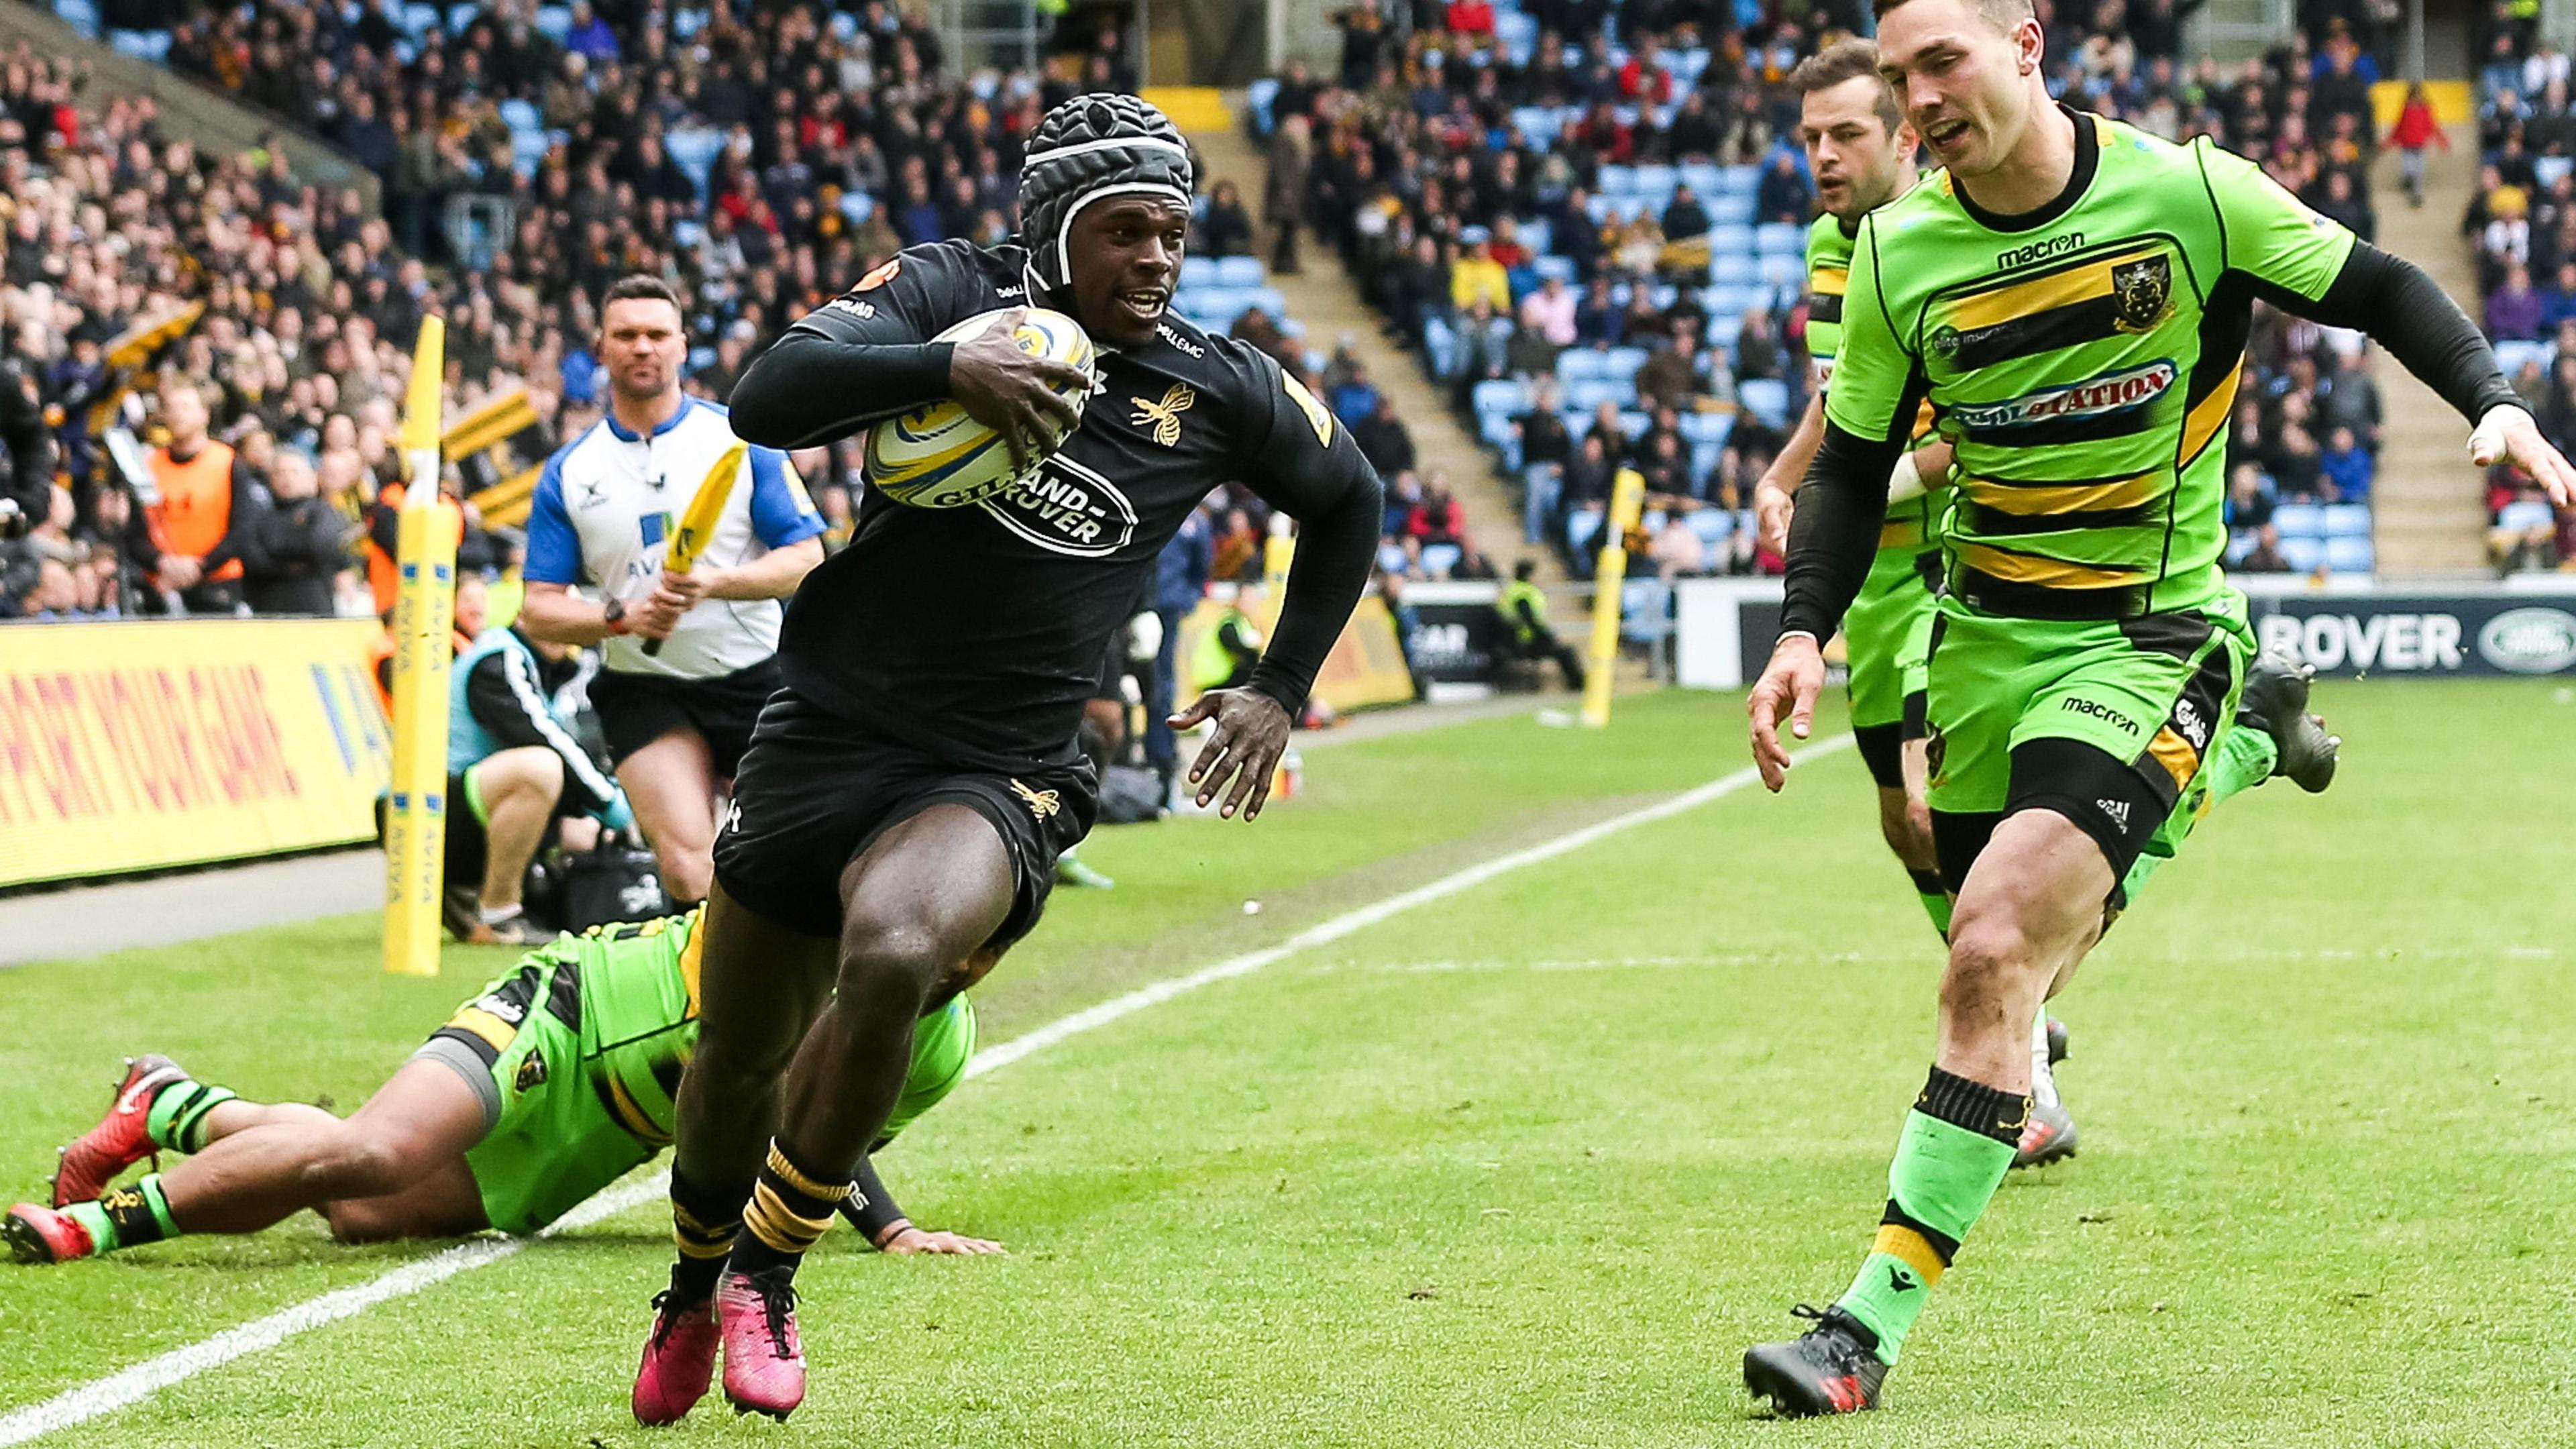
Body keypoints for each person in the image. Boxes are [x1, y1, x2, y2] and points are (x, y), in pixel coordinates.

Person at [1739, 0, 2576, 1417]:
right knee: (2022, 946)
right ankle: (2253, 740)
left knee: (1991, 947)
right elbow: (1851, 462)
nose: (1918, 97)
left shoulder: (2186, 193)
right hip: (1987, 648)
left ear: (2026, 42)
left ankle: (1860, 1334)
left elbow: (2376, 285)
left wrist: (2490, 399)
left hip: (2150, 635)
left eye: (1940, 61)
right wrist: (1804, 632)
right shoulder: (1897, 254)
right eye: (1897, 75)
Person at [637, 94, 1384, 1424]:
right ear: (1052, 231)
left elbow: (1351, 499)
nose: (1158, 258)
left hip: (1006, 764)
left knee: (896, 950)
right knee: (733, 1059)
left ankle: (765, 1270)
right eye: (1128, 231)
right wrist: (946, 368)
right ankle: (691, 1287)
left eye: (1175, 231)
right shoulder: (944, 290)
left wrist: (1279, 683)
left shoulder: (1215, 383)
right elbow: (764, 395)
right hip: (829, 722)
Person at [9, 911, 994, 1268]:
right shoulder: (820, 915)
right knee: (379, 1150)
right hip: (569, 1010)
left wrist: (891, 1229)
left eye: (981, 947)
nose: (955, 957)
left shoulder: (938, 1051)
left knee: (362, 1210)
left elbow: (821, 1133)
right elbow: (734, 1081)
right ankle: (95, 1227)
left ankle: (170, 1103)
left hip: (609, 1133)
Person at [1750, 42, 1971, 1001]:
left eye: (1846, 134)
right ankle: (2019, 1016)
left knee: (1935, 811)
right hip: (1873, 580)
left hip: (1959, 562)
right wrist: (1785, 474)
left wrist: (1858, 495)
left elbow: (1973, 437)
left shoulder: (1961, 239)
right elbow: (1844, 399)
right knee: (1901, 821)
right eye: (1810, 139)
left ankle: (2015, 1047)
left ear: (1907, 137)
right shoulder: (1828, 246)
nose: (1824, 157)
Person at [517, 275, 827, 908]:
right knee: (689, 868)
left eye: (657, 334)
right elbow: (538, 610)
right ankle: (725, 1002)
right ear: (601, 349)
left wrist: (715, 583)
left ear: (682, 346)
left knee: (794, 857)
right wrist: (619, 617)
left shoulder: (741, 441)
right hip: (644, 687)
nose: (642, 347)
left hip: (755, 676)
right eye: (626, 335)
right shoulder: (571, 472)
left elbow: (806, 559)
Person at [437, 618, 633, 943]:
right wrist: (609, 801)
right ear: (528, 615)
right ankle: (498, 915)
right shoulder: (500, 659)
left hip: (473, 799)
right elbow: (545, 737)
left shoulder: (553, 668)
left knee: (584, 834)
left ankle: (519, 901)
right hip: (434, 806)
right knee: (541, 769)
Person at [144, 379, 263, 614]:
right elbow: (137, 530)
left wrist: (201, 566)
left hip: (218, 585)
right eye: (171, 408)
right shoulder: (148, 465)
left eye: (186, 407)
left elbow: (243, 528)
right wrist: (162, 563)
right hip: (161, 585)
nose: (178, 415)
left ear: (204, 414)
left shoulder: (228, 463)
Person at [241, 449, 357, 616]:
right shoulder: (260, 516)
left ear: (311, 477)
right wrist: (297, 562)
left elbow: (320, 545)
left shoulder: (324, 511)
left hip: (314, 608)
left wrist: (277, 551)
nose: (287, 478)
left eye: (294, 472)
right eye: (280, 473)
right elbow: (254, 560)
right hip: (268, 610)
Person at [1496, 558, 1583, 688]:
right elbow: (1528, 619)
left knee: (1562, 650)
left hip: (1518, 640)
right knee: (1566, 652)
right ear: (1529, 574)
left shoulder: (1514, 589)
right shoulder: (1523, 593)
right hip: (1526, 641)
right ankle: (1578, 685)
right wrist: (1546, 635)